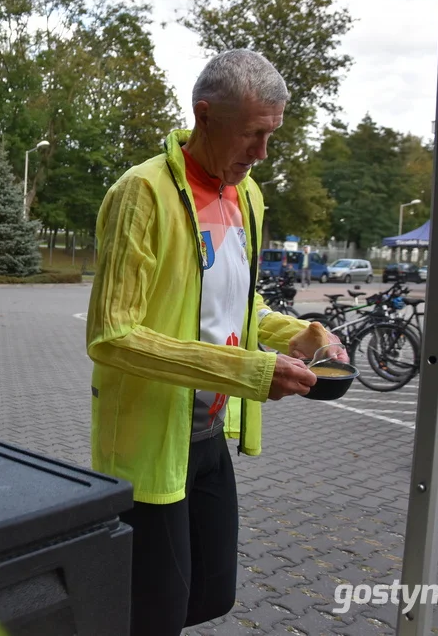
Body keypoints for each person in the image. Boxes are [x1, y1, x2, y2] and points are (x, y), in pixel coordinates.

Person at [85, 49, 347, 636]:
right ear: (204, 115)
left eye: (270, 135)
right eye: (253, 134)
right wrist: (252, 373)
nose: (261, 153)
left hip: (208, 433)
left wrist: (299, 334)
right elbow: (112, 335)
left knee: (211, 594)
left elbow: (239, 304)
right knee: (155, 614)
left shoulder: (246, 196)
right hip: (148, 439)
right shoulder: (142, 193)